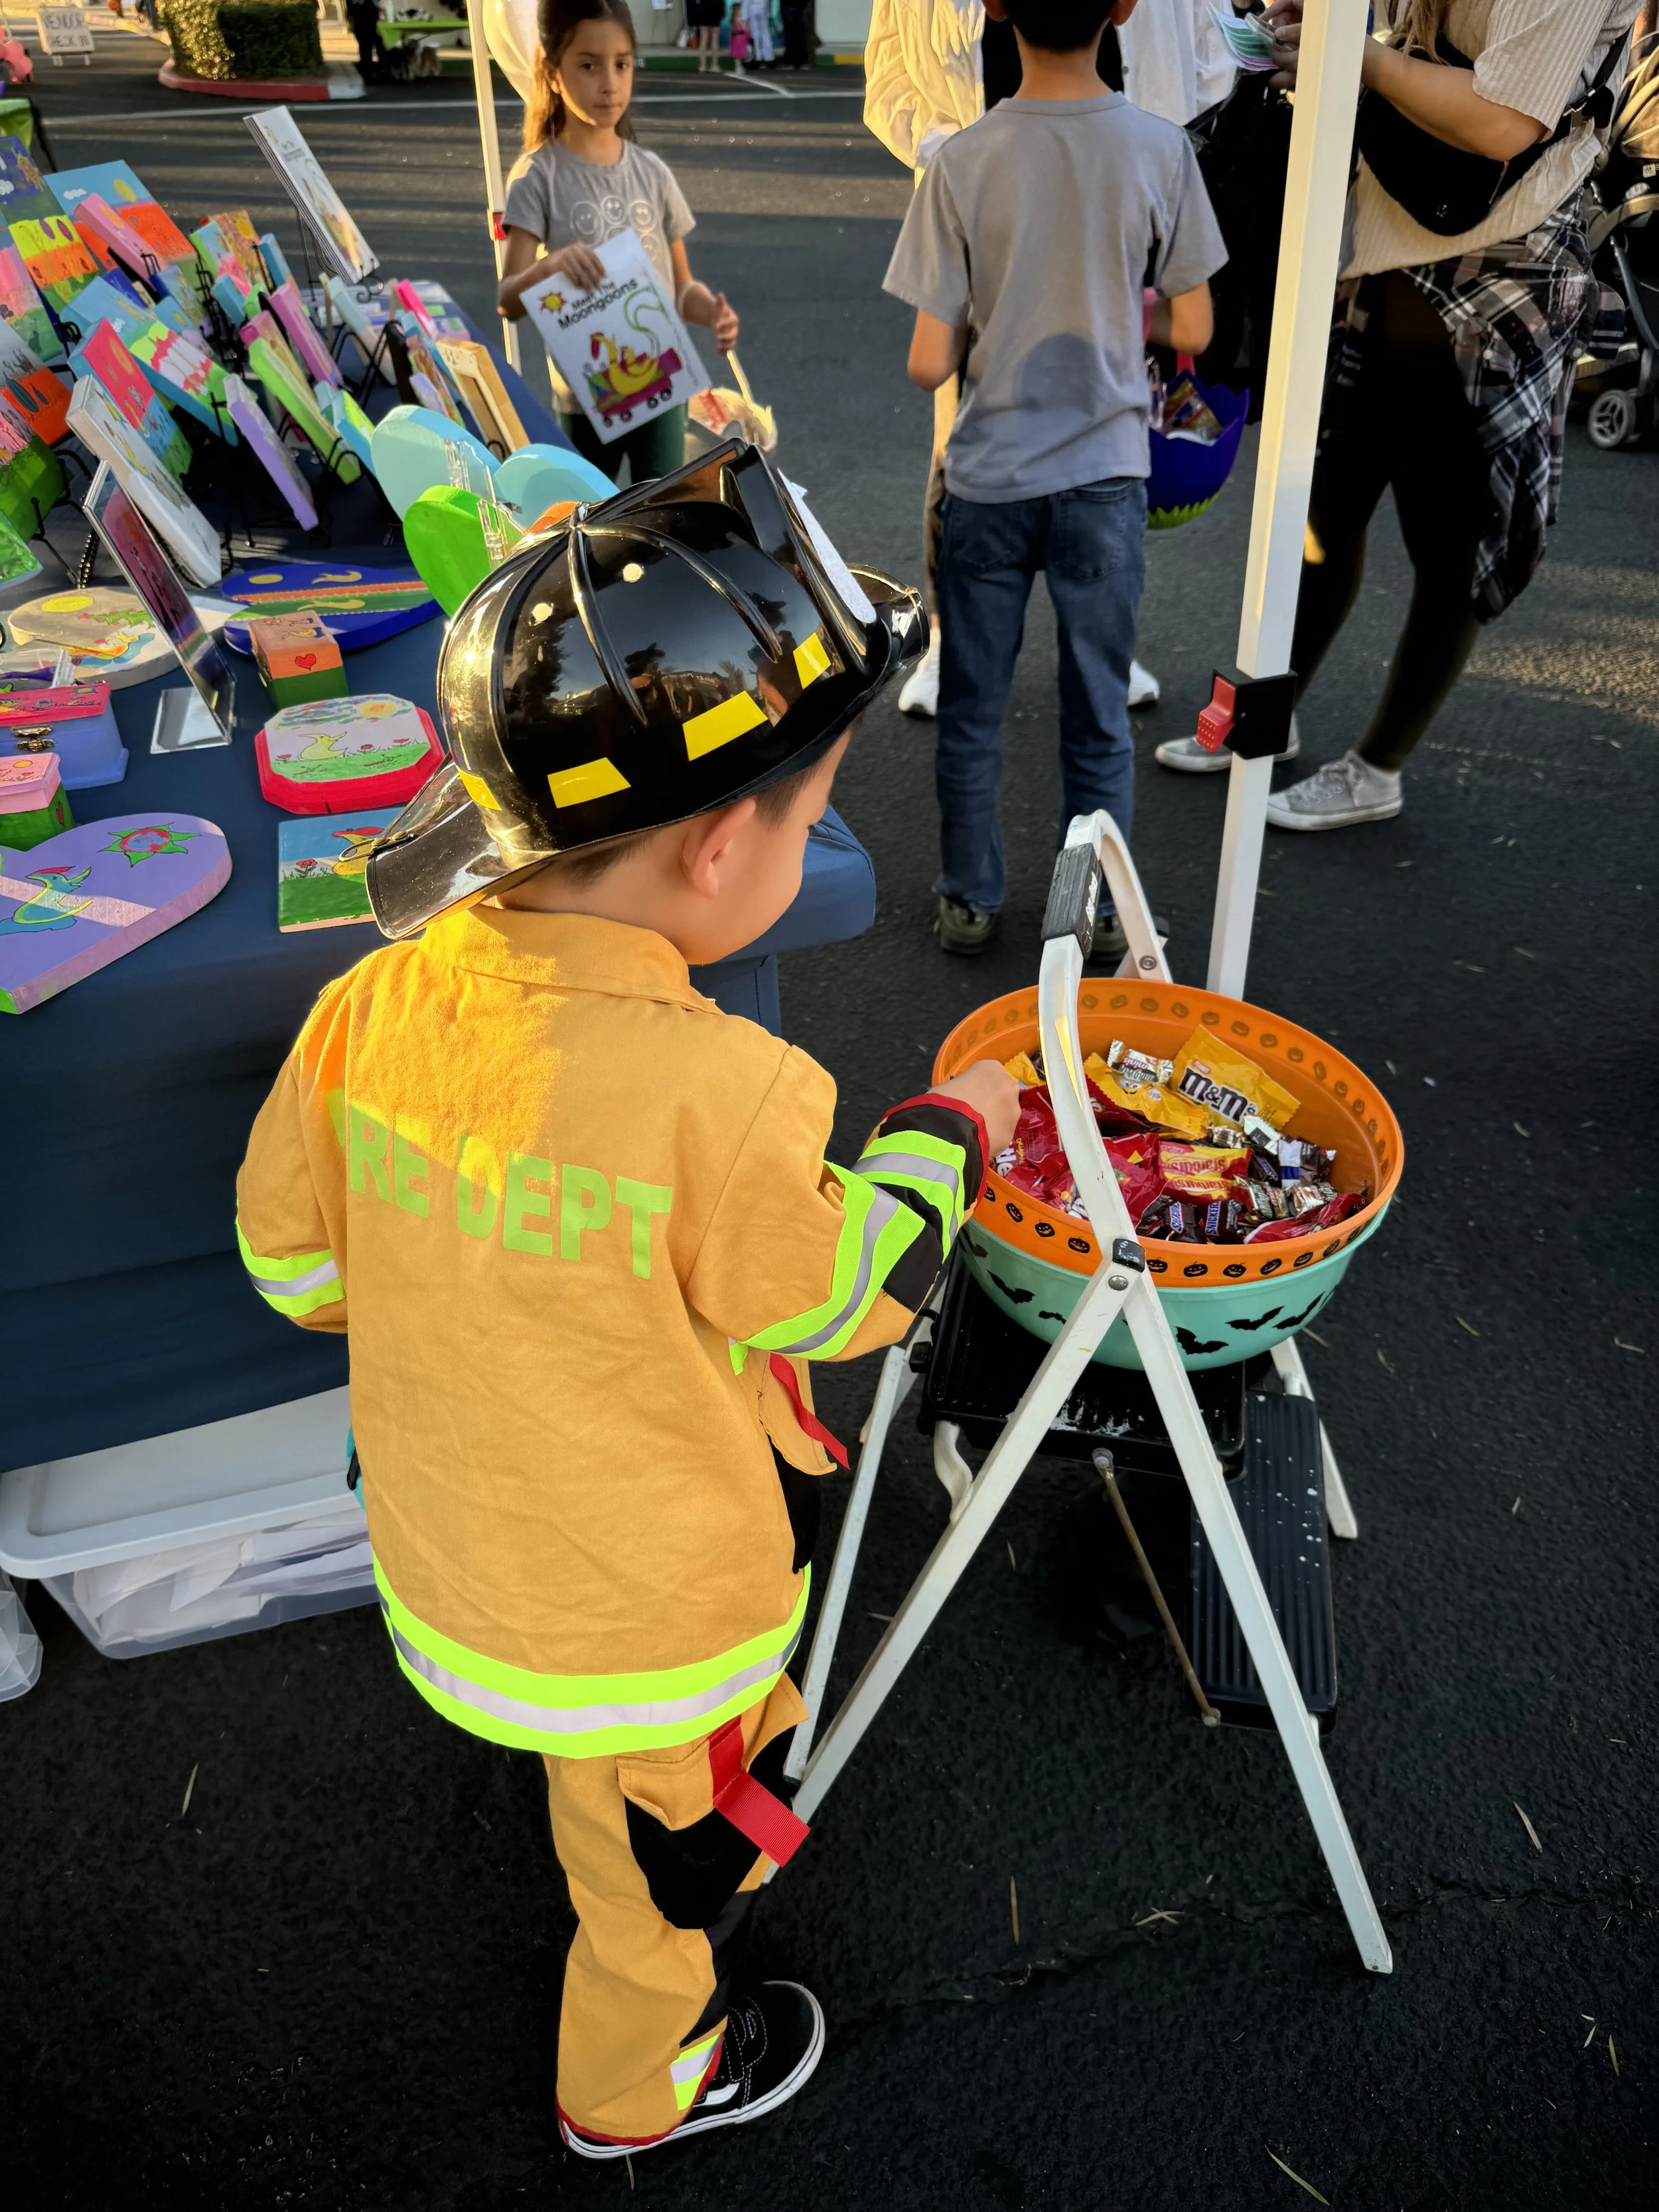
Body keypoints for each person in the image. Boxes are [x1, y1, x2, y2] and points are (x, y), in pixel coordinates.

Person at [234, 447, 1021, 2159]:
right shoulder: (727, 1090)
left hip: (453, 1565)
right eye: (812, 819)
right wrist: (944, 1145)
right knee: (658, 1856)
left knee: (574, 1753)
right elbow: (834, 1293)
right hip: (651, 1609)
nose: (807, 842)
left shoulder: (371, 1006)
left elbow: (292, 1269)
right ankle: (640, 2075)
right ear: (725, 844)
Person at [1157, 0, 1638, 822]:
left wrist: (1355, 57)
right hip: (1383, 250)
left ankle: (1378, 768)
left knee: (1451, 544)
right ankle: (1267, 717)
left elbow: (1503, 123)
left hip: (1495, 277)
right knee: (1323, 516)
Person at [883, 0, 1225, 957]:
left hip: (990, 477)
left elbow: (926, 359)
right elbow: (1195, 329)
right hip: (1106, 481)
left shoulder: (959, 160)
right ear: (1121, 10)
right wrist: (1124, 318)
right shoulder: (1161, 150)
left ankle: (969, 894)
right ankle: (1093, 908)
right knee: (1098, 716)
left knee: (973, 710)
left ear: (994, 8)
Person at [865, 0, 1164, 721]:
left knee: (1099, 426)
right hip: (978, 218)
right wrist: (954, 155)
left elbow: (1170, 60)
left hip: (1090, 200)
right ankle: (948, 639)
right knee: (961, 437)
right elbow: (886, 86)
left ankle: (1102, 641)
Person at [497, 0, 739, 486]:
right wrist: (550, 269)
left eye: (622, 64)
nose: (608, 83)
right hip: (585, 398)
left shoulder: (652, 173)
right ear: (551, 71)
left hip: (660, 386)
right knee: (589, 526)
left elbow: (680, 289)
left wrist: (711, 310)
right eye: (588, 65)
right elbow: (508, 300)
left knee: (664, 522)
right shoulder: (537, 176)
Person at [346, 0, 388, 84]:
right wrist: (350, 12)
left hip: (377, 9)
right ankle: (367, 73)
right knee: (365, 43)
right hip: (360, 9)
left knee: (380, 41)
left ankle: (383, 71)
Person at [685, 0, 724, 72]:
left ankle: (703, 65)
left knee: (704, 39)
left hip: (703, 11)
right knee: (715, 40)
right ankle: (714, 65)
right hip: (716, 11)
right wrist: (721, 14)